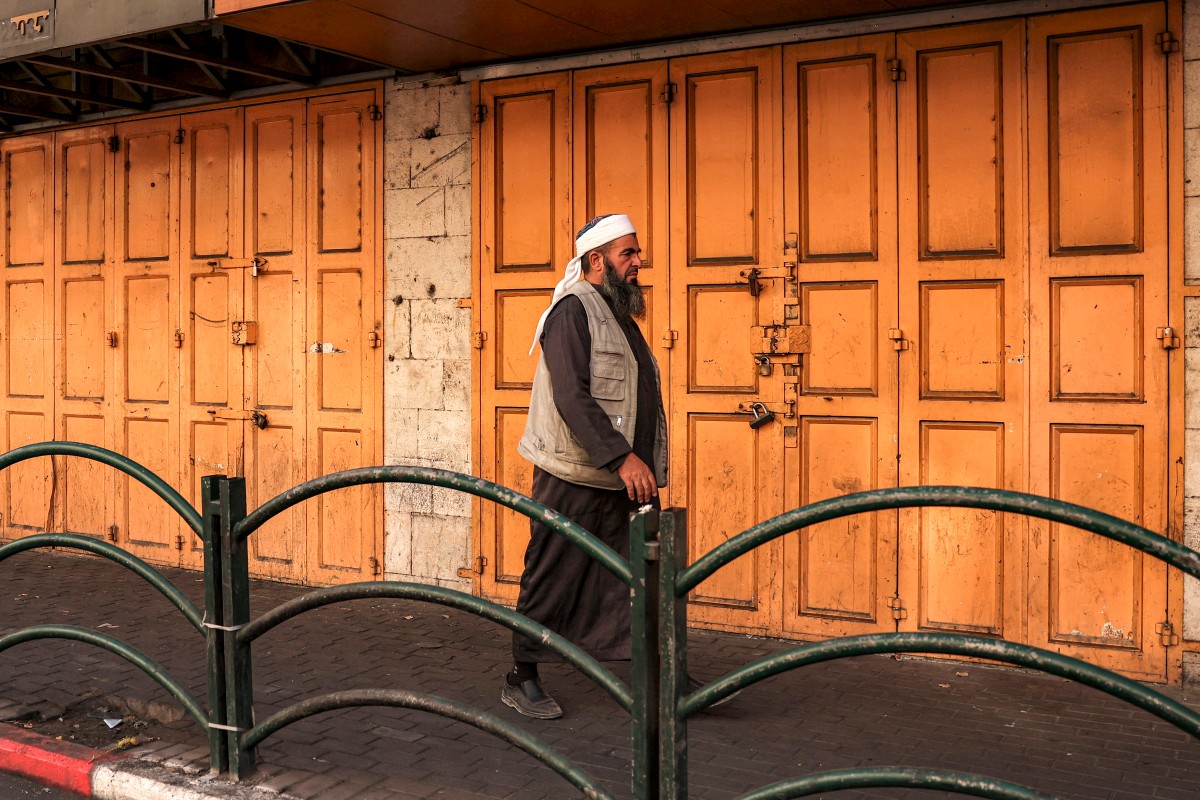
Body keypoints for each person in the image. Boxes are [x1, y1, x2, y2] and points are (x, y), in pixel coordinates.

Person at [504, 213, 667, 719]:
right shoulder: (571, 313)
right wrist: (622, 457)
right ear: (596, 261)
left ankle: (659, 675)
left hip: (625, 479)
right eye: (628, 254)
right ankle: (521, 676)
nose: (639, 262)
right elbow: (573, 398)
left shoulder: (616, 311)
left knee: (637, 576)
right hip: (575, 474)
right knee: (554, 573)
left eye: (637, 252)